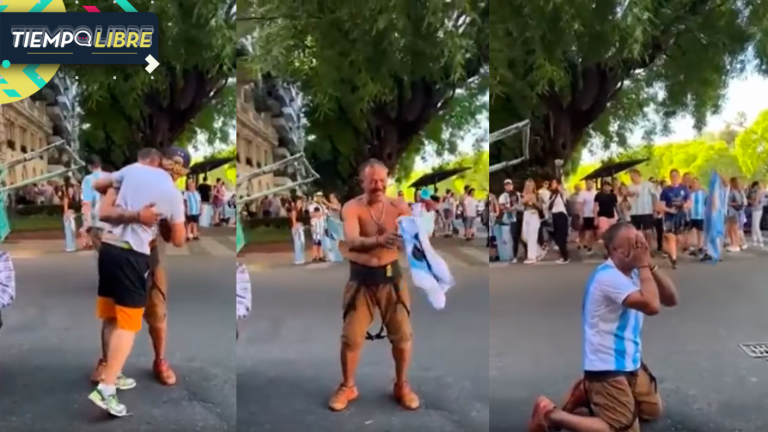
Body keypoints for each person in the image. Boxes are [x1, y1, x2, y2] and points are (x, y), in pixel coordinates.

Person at [528, 222, 679, 432]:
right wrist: (644, 265)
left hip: (630, 361)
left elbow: (671, 299)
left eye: (639, 242)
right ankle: (551, 415)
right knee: (624, 429)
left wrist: (650, 265)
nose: (638, 248)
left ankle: (586, 392)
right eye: (631, 245)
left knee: (652, 412)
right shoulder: (608, 277)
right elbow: (652, 306)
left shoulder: (635, 271)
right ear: (614, 251)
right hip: (606, 365)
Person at [87, 147, 188, 417]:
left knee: (115, 316)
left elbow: (99, 185)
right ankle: (107, 388)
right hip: (133, 256)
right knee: (128, 324)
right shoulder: (172, 194)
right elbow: (179, 240)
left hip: (108, 249)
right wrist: (148, 215)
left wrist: (120, 193)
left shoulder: (132, 171)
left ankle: (123, 369)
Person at [329, 159, 418, 412]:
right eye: (372, 181)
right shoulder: (352, 207)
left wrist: (408, 221)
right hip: (361, 281)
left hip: (392, 280)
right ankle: (348, 386)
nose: (378, 185)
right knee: (351, 338)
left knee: (402, 336)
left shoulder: (398, 206)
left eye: (382, 180)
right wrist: (380, 239)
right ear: (363, 182)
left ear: (387, 180)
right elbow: (352, 240)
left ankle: (401, 385)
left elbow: (413, 238)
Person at [658, 169, 690, 268]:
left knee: (679, 238)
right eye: (672, 176)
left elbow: (689, 202)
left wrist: (683, 206)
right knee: (671, 237)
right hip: (669, 217)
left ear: (679, 177)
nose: (674, 178)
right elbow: (661, 205)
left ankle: (671, 251)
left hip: (681, 216)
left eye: (676, 176)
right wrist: (670, 210)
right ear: (670, 177)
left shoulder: (684, 189)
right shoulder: (666, 190)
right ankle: (674, 259)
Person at [80, 155, 106, 249]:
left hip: (95, 212)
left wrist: (86, 219)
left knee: (94, 236)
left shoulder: (88, 179)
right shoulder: (109, 176)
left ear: (89, 166)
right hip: (109, 210)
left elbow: (87, 200)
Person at [627, 170, 656, 251]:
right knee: (637, 232)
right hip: (635, 212)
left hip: (647, 211)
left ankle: (649, 248)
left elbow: (655, 196)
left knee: (648, 231)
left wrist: (655, 208)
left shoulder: (648, 185)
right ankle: (639, 249)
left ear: (639, 175)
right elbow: (627, 199)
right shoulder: (630, 187)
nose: (632, 178)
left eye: (634, 176)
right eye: (631, 176)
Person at [499, 179, 522, 262]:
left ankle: (525, 253)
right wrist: (508, 209)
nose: (508, 186)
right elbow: (501, 206)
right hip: (511, 218)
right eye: (506, 185)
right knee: (514, 237)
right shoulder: (503, 196)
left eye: (510, 185)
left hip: (519, 216)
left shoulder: (518, 194)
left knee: (522, 236)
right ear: (504, 186)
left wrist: (517, 208)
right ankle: (514, 256)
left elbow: (522, 204)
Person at [548, 179, 570, 264]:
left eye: (554, 183)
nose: (552, 184)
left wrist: (561, 190)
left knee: (561, 237)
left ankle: (565, 257)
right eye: (552, 183)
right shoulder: (552, 194)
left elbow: (566, 198)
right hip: (554, 215)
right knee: (556, 235)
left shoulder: (561, 193)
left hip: (561, 215)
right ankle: (563, 254)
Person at [521, 179, 542, 264]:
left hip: (534, 214)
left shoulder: (537, 195)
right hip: (526, 214)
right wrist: (524, 201)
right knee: (525, 235)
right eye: (527, 185)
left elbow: (541, 207)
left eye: (530, 185)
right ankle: (539, 252)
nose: (529, 187)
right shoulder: (523, 195)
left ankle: (531, 257)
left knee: (532, 236)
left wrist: (535, 203)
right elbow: (520, 205)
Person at [593, 180, 618, 252]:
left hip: (612, 216)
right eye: (605, 186)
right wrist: (595, 218)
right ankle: (605, 249)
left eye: (608, 186)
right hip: (602, 216)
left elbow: (616, 206)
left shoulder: (613, 196)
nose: (606, 187)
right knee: (603, 232)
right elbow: (595, 207)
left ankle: (611, 249)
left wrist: (620, 216)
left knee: (612, 233)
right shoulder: (599, 195)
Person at [576, 180, 597, 254]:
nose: (589, 185)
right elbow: (580, 205)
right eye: (588, 183)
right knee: (583, 231)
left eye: (591, 184)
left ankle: (590, 246)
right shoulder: (582, 193)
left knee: (592, 231)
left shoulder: (595, 193)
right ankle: (582, 242)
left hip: (593, 214)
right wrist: (581, 216)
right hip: (585, 214)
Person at [726, 177, 746, 252]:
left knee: (734, 229)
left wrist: (729, 203)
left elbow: (739, 202)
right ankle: (733, 243)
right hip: (731, 212)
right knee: (730, 229)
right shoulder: (734, 191)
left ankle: (736, 244)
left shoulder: (735, 192)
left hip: (734, 212)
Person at [688, 178, 707, 255]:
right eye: (693, 183)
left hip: (700, 215)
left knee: (700, 232)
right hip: (691, 215)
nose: (695, 184)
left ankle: (700, 247)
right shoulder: (689, 193)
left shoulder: (703, 193)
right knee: (689, 232)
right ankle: (690, 247)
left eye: (696, 183)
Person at [747, 180, 765, 248]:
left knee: (756, 225)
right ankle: (754, 240)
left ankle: (760, 240)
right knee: (754, 225)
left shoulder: (758, 191)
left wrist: (749, 201)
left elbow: (756, 202)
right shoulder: (754, 191)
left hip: (757, 209)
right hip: (755, 209)